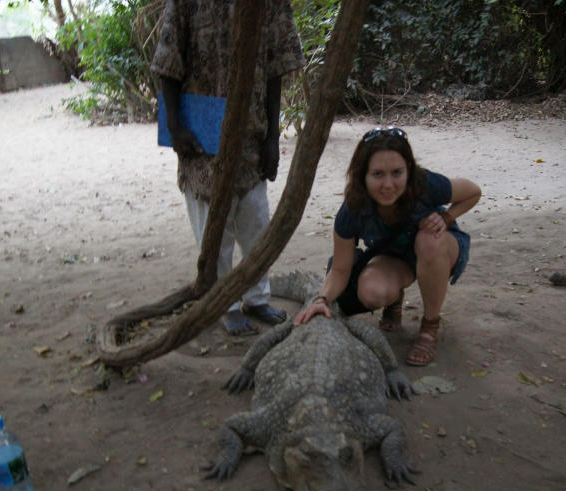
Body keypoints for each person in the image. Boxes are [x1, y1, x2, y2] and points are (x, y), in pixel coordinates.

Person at [152, 0, 304, 335]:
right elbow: (167, 63)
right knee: (213, 231)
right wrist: (175, 127)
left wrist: (272, 138)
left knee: (256, 223)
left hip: (252, 132)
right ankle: (226, 304)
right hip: (201, 133)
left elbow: (277, 67)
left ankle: (257, 297)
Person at [294, 127, 481, 367]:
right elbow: (340, 269)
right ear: (363, 175)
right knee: (371, 291)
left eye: (397, 173)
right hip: (395, 256)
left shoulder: (425, 184)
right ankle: (394, 297)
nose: (388, 184)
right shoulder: (352, 209)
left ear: (409, 170)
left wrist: (446, 218)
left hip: (438, 246)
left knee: (429, 241)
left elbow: (473, 192)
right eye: (378, 174)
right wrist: (321, 299)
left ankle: (430, 325)